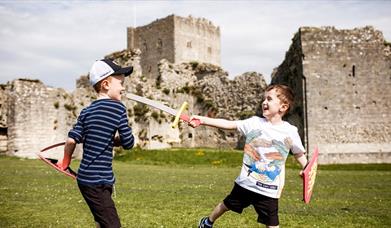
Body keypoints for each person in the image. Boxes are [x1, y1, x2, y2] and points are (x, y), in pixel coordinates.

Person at [189, 84, 308, 228]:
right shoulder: (254, 123)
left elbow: (299, 153)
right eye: (264, 99)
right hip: (246, 183)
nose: (264, 102)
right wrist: (202, 120)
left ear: (283, 107)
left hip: (269, 189)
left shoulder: (290, 131)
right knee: (226, 205)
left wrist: (306, 169)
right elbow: (228, 124)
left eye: (269, 99)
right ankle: (207, 222)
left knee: (273, 224)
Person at [57, 59, 135, 228]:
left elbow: (71, 140)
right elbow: (128, 143)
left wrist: (65, 161)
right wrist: (123, 138)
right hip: (98, 181)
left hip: (86, 179)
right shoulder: (118, 108)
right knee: (113, 225)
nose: (123, 88)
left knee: (102, 220)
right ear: (106, 84)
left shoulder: (86, 112)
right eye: (121, 83)